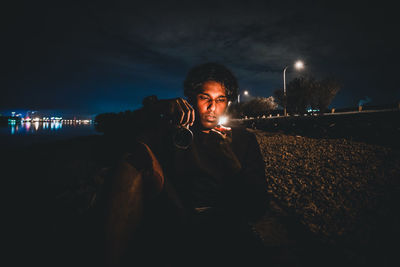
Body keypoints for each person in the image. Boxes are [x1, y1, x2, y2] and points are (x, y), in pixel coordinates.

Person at [100, 62, 269, 267]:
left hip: (223, 219)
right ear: (190, 98)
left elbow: (258, 208)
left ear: (228, 103)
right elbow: (109, 127)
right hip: (175, 211)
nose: (212, 107)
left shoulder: (243, 140)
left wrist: (229, 159)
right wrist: (158, 108)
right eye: (204, 98)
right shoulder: (178, 129)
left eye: (220, 100)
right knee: (134, 158)